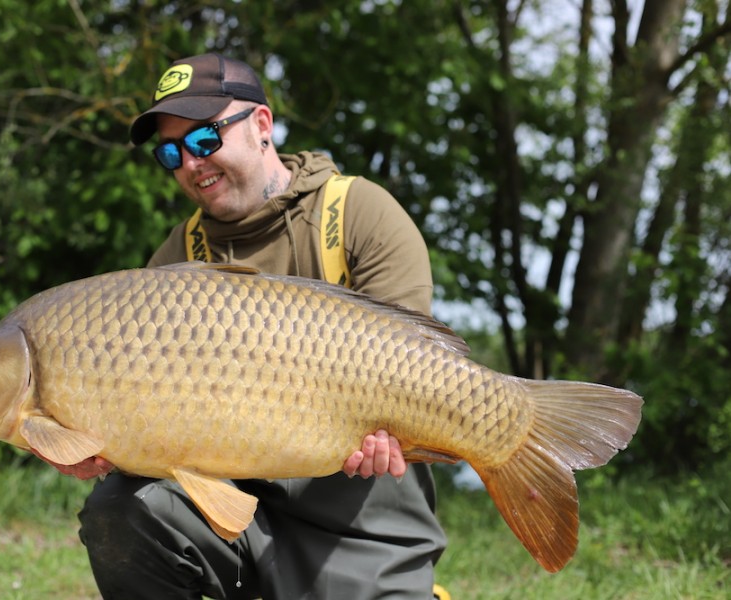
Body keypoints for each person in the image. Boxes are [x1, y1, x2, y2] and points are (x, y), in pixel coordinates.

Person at [42, 52, 447, 599]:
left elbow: (420, 368)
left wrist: (399, 431)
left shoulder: (357, 214)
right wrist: (103, 442)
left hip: (363, 527)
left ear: (261, 125)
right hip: (238, 524)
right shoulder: (179, 255)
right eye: (171, 151)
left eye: (205, 139)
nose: (191, 162)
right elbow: (154, 425)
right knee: (120, 509)